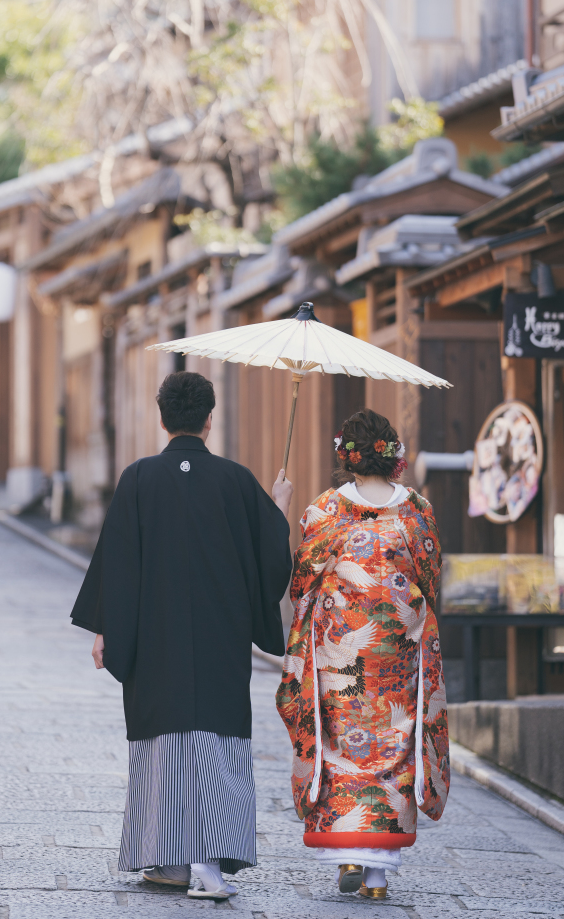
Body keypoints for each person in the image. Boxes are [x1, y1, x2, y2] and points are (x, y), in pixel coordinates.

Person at [71, 371, 294, 901]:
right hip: (220, 639)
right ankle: (210, 860)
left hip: (155, 640)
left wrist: (107, 628)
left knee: (164, 740)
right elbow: (271, 556)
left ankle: (168, 860)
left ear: (163, 418)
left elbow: (118, 563)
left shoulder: (139, 478)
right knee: (216, 744)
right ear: (210, 420)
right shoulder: (237, 480)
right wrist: (280, 504)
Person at [276, 408, 449, 900]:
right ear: (392, 454)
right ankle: (377, 877)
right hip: (399, 652)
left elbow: (302, 581)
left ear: (345, 458)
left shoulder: (325, 510)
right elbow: (431, 579)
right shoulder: (418, 511)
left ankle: (349, 853)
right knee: (395, 746)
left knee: (341, 748)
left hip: (340, 657)